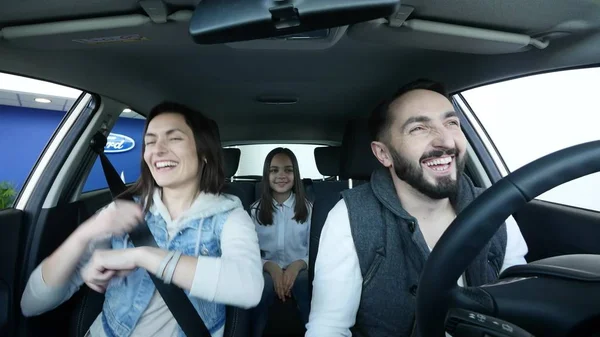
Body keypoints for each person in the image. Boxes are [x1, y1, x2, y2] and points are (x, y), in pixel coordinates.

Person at [305, 79, 529, 337]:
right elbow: (329, 327)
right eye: (419, 128)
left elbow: (518, 307)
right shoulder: (350, 216)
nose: (445, 141)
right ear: (383, 154)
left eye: (451, 123)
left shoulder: (494, 208)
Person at [21, 102, 264, 337]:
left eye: (174, 138)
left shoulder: (230, 217)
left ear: (205, 153)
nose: (157, 150)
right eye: (150, 141)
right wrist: (86, 232)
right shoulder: (120, 213)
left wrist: (141, 255)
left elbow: (249, 287)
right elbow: (31, 304)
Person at [250, 148, 312, 337]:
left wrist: (299, 264)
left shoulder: (309, 210)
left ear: (296, 174)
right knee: (265, 284)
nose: (281, 175)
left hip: (301, 269)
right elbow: (249, 252)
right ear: (266, 175)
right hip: (264, 270)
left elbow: (318, 251)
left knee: (304, 281)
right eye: (274, 170)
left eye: (288, 170)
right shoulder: (254, 211)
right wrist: (270, 266)